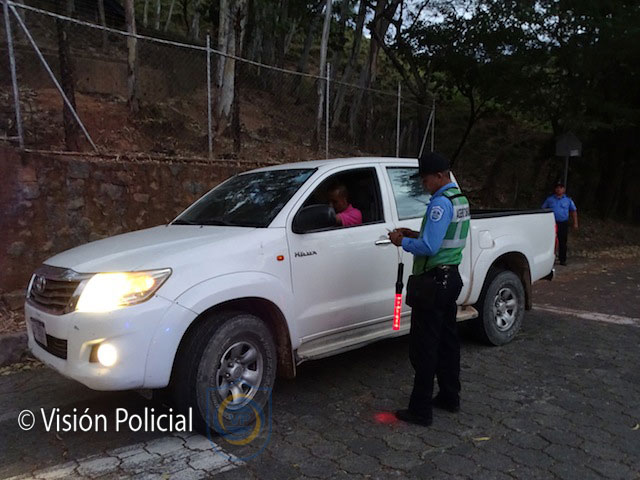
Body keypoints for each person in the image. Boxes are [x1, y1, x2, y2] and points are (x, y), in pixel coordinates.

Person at [388, 152, 470, 427]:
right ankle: (450, 396)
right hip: (450, 278)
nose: (423, 185)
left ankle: (420, 410)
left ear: (439, 176)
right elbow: (442, 238)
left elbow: (430, 247)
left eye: (425, 180)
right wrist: (413, 233)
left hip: (433, 282)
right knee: (448, 342)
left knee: (425, 347)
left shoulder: (440, 204)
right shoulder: (459, 199)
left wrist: (402, 242)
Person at [542, 182, 578, 266]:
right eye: (557, 187)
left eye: (561, 188)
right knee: (550, 241)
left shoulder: (568, 200)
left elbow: (573, 211)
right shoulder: (550, 199)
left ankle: (562, 259)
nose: (559, 189)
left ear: (564, 189)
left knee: (562, 241)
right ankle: (549, 259)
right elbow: (543, 209)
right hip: (551, 223)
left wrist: (575, 223)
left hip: (563, 223)